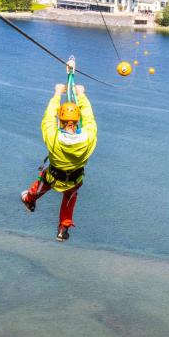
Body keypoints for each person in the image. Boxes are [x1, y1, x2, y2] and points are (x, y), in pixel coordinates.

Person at [21, 82, 98, 241]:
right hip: (74, 181)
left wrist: (57, 93)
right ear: (77, 121)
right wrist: (81, 95)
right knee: (70, 196)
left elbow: (49, 117)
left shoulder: (53, 137)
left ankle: (29, 200)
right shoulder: (89, 137)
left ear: (60, 121)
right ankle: (63, 228)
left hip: (53, 177)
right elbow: (89, 119)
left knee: (42, 182)